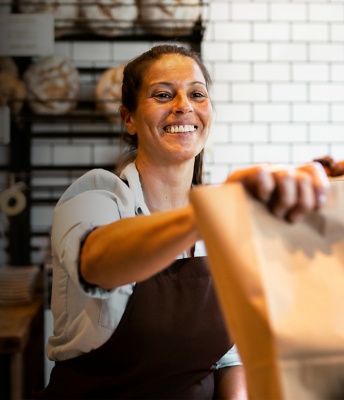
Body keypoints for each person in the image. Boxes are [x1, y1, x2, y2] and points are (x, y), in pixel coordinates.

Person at [39, 45, 329, 399]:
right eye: (162, 94)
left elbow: (228, 357)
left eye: (197, 94)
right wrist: (209, 211)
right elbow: (97, 263)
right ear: (128, 119)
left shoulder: (221, 221)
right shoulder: (97, 197)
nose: (183, 105)